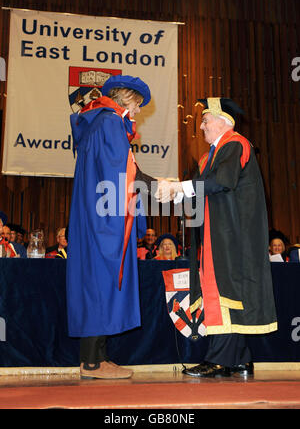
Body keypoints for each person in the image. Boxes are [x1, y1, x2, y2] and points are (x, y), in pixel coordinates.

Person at [156, 97, 277, 378]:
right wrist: (176, 194)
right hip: (222, 231)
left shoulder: (234, 143)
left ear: (225, 122)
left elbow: (222, 182)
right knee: (231, 294)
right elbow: (206, 192)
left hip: (230, 234)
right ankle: (239, 358)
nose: (201, 126)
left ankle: (219, 359)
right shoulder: (211, 154)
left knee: (221, 292)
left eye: (206, 120)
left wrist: (178, 188)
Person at [67, 75, 157, 379]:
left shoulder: (99, 122)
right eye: (138, 104)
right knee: (99, 284)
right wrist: (157, 189)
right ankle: (91, 362)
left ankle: (100, 357)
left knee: (99, 284)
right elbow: (123, 173)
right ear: (126, 98)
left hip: (97, 216)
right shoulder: (109, 123)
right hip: (104, 220)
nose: (139, 111)